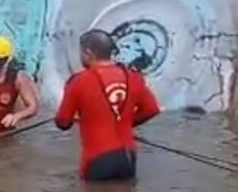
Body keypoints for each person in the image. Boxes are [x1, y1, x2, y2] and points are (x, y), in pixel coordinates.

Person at [54, 29, 160, 181]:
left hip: (97, 159)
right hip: (128, 158)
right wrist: (127, 122)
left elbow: (63, 122)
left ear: (88, 53)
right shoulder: (134, 77)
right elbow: (152, 109)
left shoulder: (78, 82)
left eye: (81, 53)